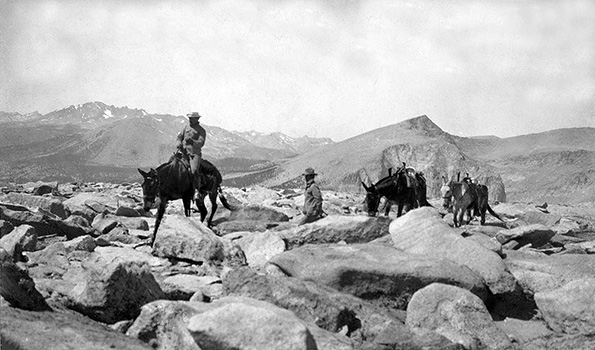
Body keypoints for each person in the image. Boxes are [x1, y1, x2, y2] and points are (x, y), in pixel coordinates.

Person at [177, 112, 206, 198]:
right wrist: (178, 143)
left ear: (197, 119)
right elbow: (179, 137)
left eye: (191, 118)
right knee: (171, 163)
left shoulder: (201, 130)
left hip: (194, 154)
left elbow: (201, 143)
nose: (189, 119)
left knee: (194, 170)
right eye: (189, 118)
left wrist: (192, 142)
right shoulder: (186, 127)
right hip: (183, 152)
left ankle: (196, 190)